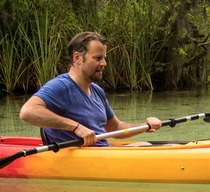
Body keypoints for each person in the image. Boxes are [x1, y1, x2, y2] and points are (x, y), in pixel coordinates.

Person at [19, 31, 162, 147]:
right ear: (77, 58)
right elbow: (27, 112)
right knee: (144, 146)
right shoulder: (60, 86)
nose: (104, 63)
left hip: (104, 155)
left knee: (145, 144)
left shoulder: (97, 91)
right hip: (81, 160)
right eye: (98, 58)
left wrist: (145, 126)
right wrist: (76, 127)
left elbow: (114, 127)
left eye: (104, 58)